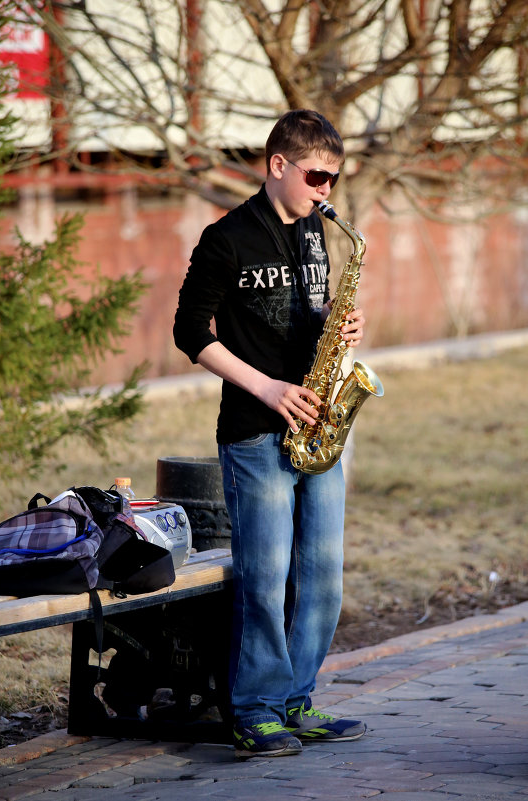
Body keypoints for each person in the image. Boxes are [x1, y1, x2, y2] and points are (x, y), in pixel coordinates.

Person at [173, 109, 366, 759]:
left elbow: (304, 314)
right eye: (317, 176)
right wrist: (266, 387)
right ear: (277, 165)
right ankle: (254, 708)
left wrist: (337, 332)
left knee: (320, 577)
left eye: (334, 179)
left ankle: (294, 699)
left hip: (318, 426)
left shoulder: (314, 232)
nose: (325, 191)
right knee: (264, 576)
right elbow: (189, 332)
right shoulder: (224, 238)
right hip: (256, 431)